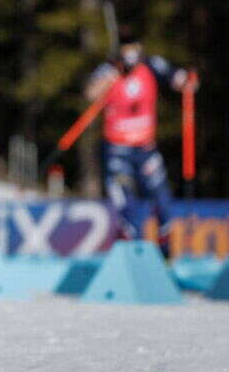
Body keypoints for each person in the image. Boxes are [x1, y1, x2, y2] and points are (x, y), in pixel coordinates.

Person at [84, 25, 197, 253]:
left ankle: (166, 253)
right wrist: (114, 75)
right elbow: (91, 94)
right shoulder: (109, 70)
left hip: (145, 150)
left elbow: (180, 79)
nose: (131, 53)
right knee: (127, 205)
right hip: (118, 150)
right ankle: (132, 253)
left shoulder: (151, 65)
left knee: (162, 200)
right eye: (127, 48)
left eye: (134, 47)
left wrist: (189, 81)